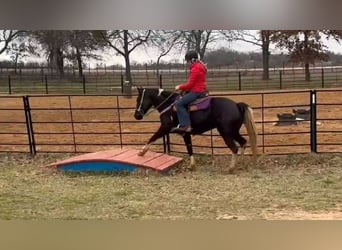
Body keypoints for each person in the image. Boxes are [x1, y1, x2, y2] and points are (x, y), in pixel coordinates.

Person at [171, 50, 207, 133]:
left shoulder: (195, 68)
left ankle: (185, 126)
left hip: (196, 91)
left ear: (192, 60)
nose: (187, 63)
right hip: (200, 90)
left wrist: (179, 87)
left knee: (179, 104)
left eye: (188, 61)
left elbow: (190, 85)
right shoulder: (200, 66)